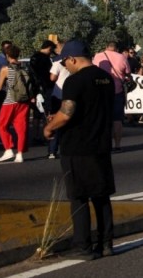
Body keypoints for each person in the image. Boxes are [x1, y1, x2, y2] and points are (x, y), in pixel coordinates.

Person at [43, 40, 115, 260]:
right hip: (101, 144)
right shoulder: (106, 78)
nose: (65, 66)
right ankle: (106, 244)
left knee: (79, 197)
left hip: (78, 146)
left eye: (65, 62)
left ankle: (83, 246)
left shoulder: (74, 81)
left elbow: (67, 113)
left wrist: (49, 127)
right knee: (101, 197)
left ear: (72, 58)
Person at [0, 45, 31, 163]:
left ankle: (8, 149)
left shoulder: (5, 69)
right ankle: (20, 154)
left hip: (10, 101)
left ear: (7, 55)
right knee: (21, 128)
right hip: (24, 101)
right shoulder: (23, 68)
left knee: (2, 125)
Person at [92, 42, 130, 151]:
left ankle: (103, 144)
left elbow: (93, 71)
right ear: (116, 48)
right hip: (117, 91)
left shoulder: (98, 56)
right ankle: (117, 145)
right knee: (117, 120)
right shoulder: (121, 57)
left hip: (101, 91)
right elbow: (127, 72)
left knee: (102, 118)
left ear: (106, 47)